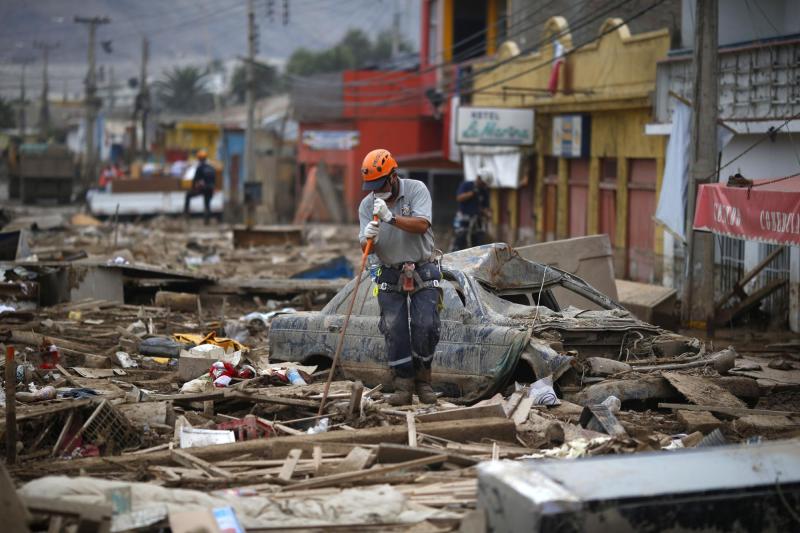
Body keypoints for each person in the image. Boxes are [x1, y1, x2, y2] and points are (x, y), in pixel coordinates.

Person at [358, 148, 442, 405]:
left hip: (422, 266)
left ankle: (423, 381)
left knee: (425, 325)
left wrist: (390, 218)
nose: (376, 191)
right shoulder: (366, 204)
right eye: (372, 186)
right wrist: (368, 239)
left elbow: (422, 225)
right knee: (394, 329)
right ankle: (403, 386)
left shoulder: (416, 189)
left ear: (393, 176)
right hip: (388, 269)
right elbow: (365, 247)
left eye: (380, 184)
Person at [452, 168, 493, 251]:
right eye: (482, 183)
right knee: (460, 240)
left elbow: (486, 207)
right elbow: (459, 198)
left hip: (476, 222)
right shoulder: (466, 185)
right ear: (478, 178)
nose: (483, 185)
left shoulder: (484, 191)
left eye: (484, 184)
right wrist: (472, 193)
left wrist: (487, 213)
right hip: (463, 219)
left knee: (478, 242)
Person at [184, 149, 216, 224]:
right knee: (207, 204)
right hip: (210, 189)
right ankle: (207, 221)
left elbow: (195, 179)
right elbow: (214, 180)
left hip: (203, 188)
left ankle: (186, 215)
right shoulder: (211, 168)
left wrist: (193, 188)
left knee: (188, 196)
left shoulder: (200, 167)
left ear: (199, 159)